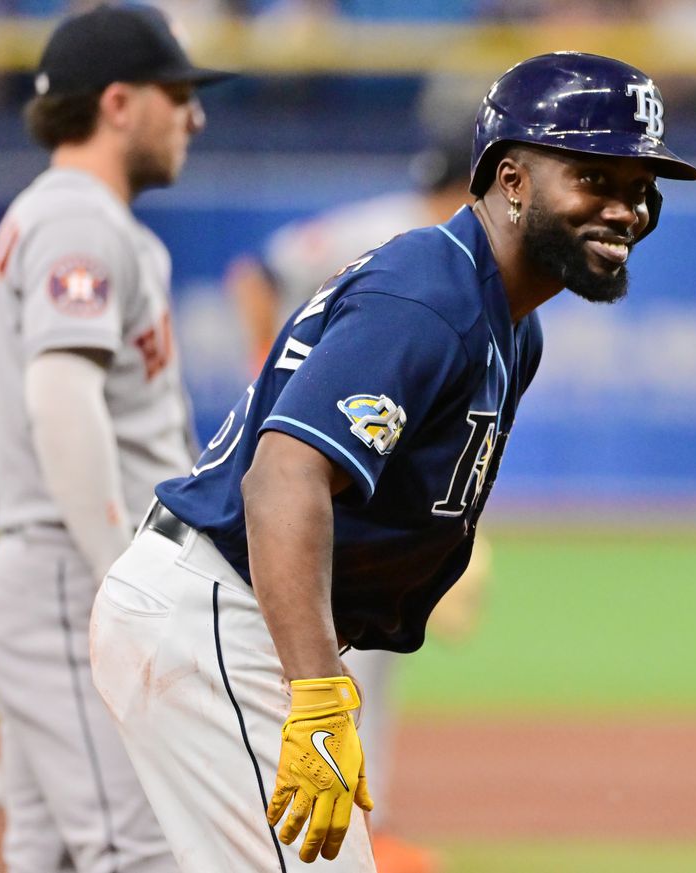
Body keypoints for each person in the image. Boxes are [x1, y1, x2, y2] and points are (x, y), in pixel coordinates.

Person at [89, 51, 696, 871]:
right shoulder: (431, 292)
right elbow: (284, 476)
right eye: (595, 177)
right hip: (219, 620)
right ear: (512, 180)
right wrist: (313, 695)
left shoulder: (511, 324)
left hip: (233, 618)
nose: (625, 209)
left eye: (640, 188)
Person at [0, 6, 231, 871]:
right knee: (140, 851)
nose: (194, 115)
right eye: (177, 93)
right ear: (118, 103)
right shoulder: (78, 219)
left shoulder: (96, 224)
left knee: (53, 854)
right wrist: (123, 581)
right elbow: (62, 397)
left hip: (63, 576)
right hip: (69, 578)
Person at [226, 128, 481, 873]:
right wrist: (269, 371)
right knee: (332, 642)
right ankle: (330, 820)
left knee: (367, 640)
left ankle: (363, 819)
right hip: (312, 450)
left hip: (368, 455)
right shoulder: (389, 232)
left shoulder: (451, 258)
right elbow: (255, 273)